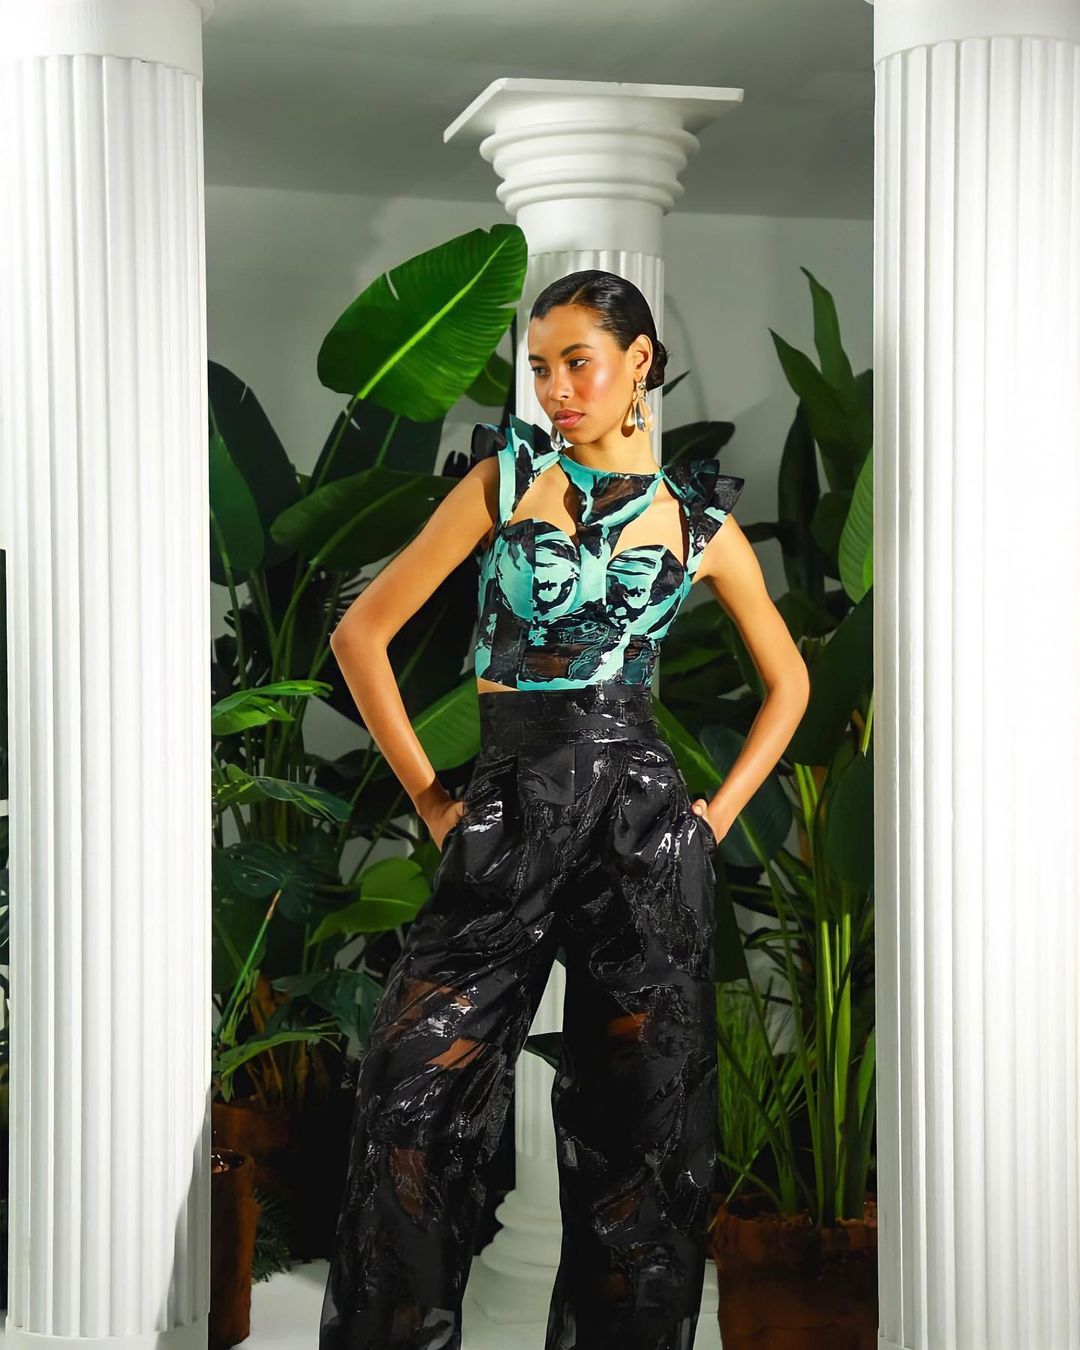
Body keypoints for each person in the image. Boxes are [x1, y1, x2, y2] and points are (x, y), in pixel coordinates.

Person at [318, 269, 810, 1350]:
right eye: (539, 367)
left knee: (643, 1136)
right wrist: (435, 801)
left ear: (638, 363)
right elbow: (361, 636)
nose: (554, 389)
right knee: (409, 1094)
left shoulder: (699, 522)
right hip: (509, 811)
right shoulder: (504, 481)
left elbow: (791, 684)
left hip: (642, 830)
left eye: (576, 363)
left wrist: (712, 821)